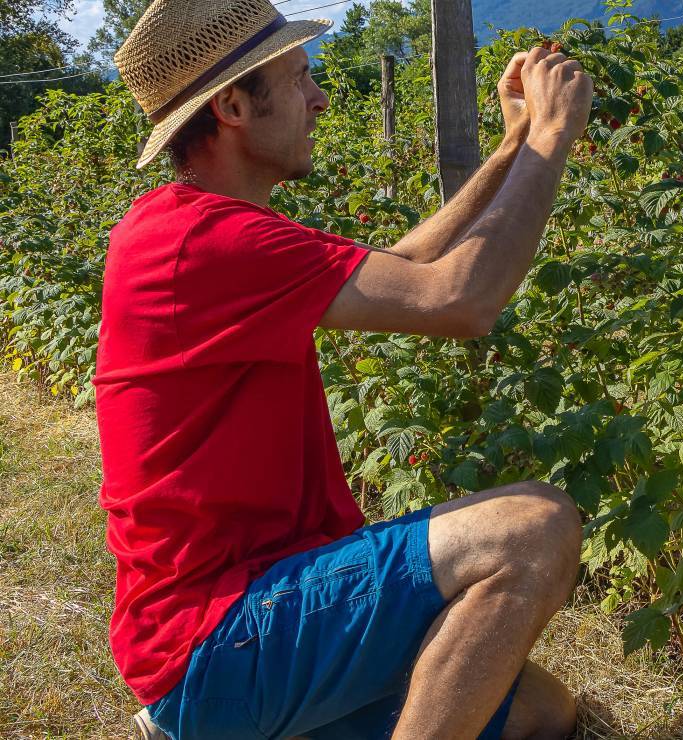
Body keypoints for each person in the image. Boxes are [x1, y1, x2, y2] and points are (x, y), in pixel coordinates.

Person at [94, 0, 595, 738]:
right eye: (300, 79)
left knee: (540, 712)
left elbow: (406, 265)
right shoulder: (206, 241)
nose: (320, 98)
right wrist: (554, 138)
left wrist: (514, 143)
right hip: (215, 634)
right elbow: (463, 300)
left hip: (251, 609)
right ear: (233, 105)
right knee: (534, 527)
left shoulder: (204, 226)